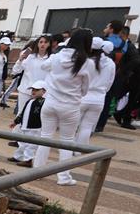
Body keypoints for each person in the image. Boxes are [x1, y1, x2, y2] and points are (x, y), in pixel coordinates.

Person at [34, 28, 95, 186]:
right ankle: (64, 177)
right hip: (70, 106)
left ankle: (37, 171)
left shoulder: (57, 56)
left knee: (45, 137)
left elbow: (44, 66)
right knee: (67, 140)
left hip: (50, 103)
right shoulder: (87, 63)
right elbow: (85, 89)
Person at [76, 38, 115, 148]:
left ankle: (69, 149)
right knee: (87, 127)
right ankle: (79, 150)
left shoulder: (86, 61)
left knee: (74, 126)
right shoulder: (110, 63)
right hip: (99, 98)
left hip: (83, 96)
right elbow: (110, 82)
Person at [115, 37, 140, 129]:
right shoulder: (137, 53)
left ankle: (120, 113)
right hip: (134, 80)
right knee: (132, 100)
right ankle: (126, 120)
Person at [10, 35, 51, 116]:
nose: (43, 44)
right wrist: (20, 60)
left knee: (36, 115)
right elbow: (15, 71)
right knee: (21, 113)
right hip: (25, 89)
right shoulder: (29, 57)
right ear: (37, 44)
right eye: (41, 42)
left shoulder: (51, 59)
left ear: (49, 44)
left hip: (41, 92)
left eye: (45, 42)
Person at [8, 81, 46, 166]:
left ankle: (28, 159)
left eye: (37, 90)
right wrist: (16, 121)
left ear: (44, 91)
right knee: (22, 143)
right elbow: (22, 113)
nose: (34, 91)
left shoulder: (43, 102)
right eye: (33, 89)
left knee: (31, 145)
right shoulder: (29, 101)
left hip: (35, 128)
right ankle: (18, 156)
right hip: (25, 126)